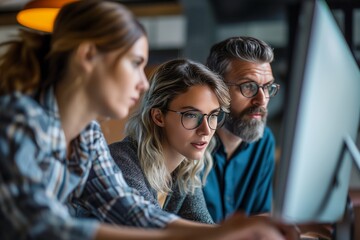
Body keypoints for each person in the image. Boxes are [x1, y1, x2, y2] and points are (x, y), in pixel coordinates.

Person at [0, 1, 299, 240]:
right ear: (88, 55)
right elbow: (41, 227)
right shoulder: (21, 120)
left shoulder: (87, 134)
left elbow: (127, 207)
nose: (143, 84)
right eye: (135, 64)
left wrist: (223, 233)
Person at [109, 58, 228, 224]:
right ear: (158, 116)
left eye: (213, 116)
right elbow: (151, 230)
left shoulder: (184, 171)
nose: (206, 130)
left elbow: (202, 226)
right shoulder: (121, 162)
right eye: (191, 115)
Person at [203, 36, 278, 223]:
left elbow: (259, 215)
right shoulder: (190, 141)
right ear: (216, 89)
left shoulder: (264, 141)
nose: (262, 100)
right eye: (248, 86)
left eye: (267, 87)